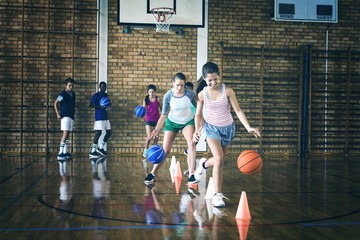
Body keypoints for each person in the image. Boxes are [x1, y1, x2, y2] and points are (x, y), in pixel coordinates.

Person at [193, 62, 261, 208]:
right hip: (211, 129)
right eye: (210, 80)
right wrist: (197, 131)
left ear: (219, 76)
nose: (213, 82)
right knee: (219, 159)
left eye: (215, 79)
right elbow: (198, 115)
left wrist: (248, 127)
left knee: (220, 158)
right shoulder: (202, 94)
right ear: (204, 79)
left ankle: (203, 164)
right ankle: (218, 196)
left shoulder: (228, 91)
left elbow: (238, 111)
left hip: (228, 129)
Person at [144, 73, 197, 185]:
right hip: (172, 122)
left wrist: (199, 126)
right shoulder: (168, 95)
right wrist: (156, 130)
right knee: (165, 150)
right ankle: (152, 173)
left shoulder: (190, 94)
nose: (179, 88)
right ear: (173, 84)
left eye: (182, 85)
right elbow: (163, 114)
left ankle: (192, 174)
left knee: (191, 144)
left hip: (187, 121)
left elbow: (197, 110)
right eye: (177, 85)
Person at [54, 77, 76, 160]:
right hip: (65, 115)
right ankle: (60, 153)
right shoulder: (62, 94)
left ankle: (65, 151)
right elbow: (55, 103)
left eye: (72, 86)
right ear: (66, 85)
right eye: (69, 85)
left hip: (71, 116)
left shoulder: (73, 94)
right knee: (65, 133)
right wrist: (57, 114)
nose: (71, 87)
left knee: (68, 134)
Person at [89, 81, 112, 157]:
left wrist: (109, 107)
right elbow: (90, 105)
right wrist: (100, 107)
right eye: (102, 87)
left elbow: (108, 104)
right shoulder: (96, 95)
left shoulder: (106, 95)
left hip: (105, 116)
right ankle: (93, 150)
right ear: (100, 87)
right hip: (99, 116)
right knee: (98, 133)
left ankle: (101, 147)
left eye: (105, 87)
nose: (104, 88)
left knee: (109, 132)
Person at [142, 84, 161, 157]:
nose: (151, 94)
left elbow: (162, 108)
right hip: (149, 120)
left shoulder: (158, 99)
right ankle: (146, 150)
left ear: (155, 92)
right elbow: (144, 110)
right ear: (148, 92)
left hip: (157, 120)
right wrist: (142, 113)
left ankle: (153, 152)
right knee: (149, 136)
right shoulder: (145, 99)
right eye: (150, 92)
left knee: (156, 137)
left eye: (153, 92)